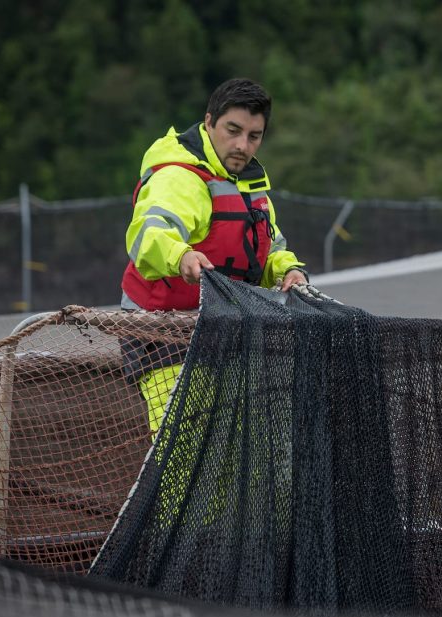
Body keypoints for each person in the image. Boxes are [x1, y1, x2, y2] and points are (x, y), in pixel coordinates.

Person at [120, 77, 308, 434]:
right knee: (184, 461)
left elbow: (272, 250)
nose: (242, 145)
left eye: (254, 136)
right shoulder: (178, 177)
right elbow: (148, 236)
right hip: (164, 338)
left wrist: (290, 271)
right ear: (209, 123)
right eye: (232, 130)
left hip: (226, 334)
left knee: (242, 458)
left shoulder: (251, 186)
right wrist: (181, 257)